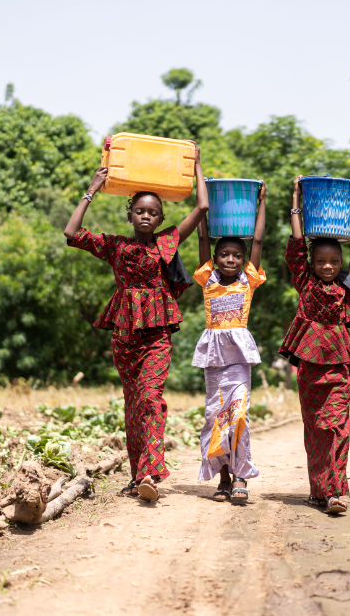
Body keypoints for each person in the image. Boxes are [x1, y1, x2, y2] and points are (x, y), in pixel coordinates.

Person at [63, 143, 209, 502]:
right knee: (132, 405)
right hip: (125, 334)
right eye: (140, 211)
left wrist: (197, 166)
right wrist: (91, 190)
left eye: (153, 212)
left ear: (161, 219)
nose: (146, 216)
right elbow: (71, 233)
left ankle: (150, 473)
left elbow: (202, 207)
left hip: (157, 334)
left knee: (150, 398)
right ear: (131, 216)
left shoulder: (166, 244)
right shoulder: (116, 247)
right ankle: (136, 475)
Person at [280, 175, 350, 515]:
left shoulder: (346, 286)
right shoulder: (304, 282)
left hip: (341, 365)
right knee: (316, 427)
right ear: (311, 264)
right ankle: (321, 489)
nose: (327, 266)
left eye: (333, 261)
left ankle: (333, 491)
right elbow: (296, 243)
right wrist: (295, 200)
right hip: (309, 366)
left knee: (336, 425)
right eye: (320, 262)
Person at [193, 181, 267, 504]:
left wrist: (261, 203)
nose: (231, 259)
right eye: (224, 254)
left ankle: (241, 477)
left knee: (238, 415)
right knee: (215, 415)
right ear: (215, 258)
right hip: (213, 359)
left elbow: (259, 239)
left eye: (237, 255)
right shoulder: (207, 278)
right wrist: (204, 200)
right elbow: (202, 236)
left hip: (238, 359)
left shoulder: (248, 282)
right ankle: (223, 479)